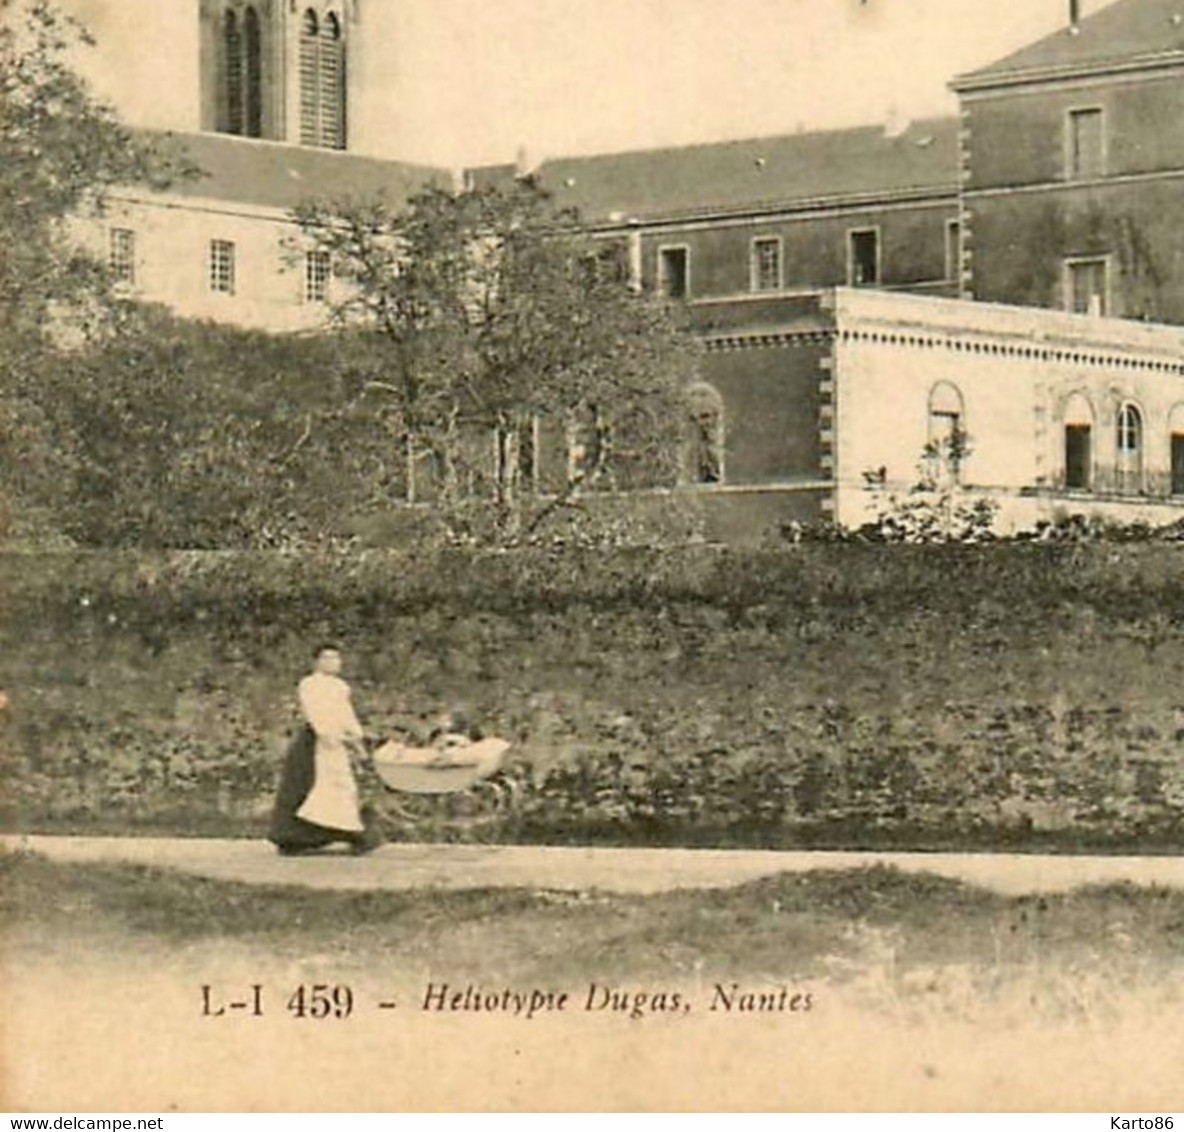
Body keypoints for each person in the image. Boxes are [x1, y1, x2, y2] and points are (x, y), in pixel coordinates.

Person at [268, 644, 382, 857]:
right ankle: (293, 838)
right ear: (316, 662)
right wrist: (331, 735)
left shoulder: (340, 686)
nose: (333, 663)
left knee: (341, 788)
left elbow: (345, 714)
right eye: (327, 658)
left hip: (336, 742)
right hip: (316, 742)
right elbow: (316, 713)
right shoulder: (309, 685)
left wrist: (356, 737)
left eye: (336, 658)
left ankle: (350, 833)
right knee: (308, 786)